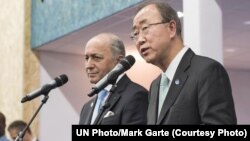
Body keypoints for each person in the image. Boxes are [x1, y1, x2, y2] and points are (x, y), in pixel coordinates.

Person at [131, 0, 237, 124]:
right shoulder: (155, 86)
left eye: (145, 28)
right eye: (135, 34)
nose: (139, 40)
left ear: (171, 28)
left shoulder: (207, 71)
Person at [79, 33, 148, 125]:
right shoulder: (86, 107)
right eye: (86, 58)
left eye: (96, 57)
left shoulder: (136, 95)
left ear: (119, 61)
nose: (88, 65)